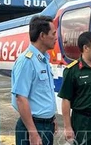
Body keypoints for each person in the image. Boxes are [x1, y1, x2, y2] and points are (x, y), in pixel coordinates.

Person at [11, 15, 58, 145]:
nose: (56, 37)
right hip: (33, 126)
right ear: (42, 36)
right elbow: (21, 98)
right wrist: (33, 132)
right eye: (53, 33)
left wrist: (52, 117)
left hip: (45, 125)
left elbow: (42, 94)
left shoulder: (43, 59)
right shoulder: (27, 61)